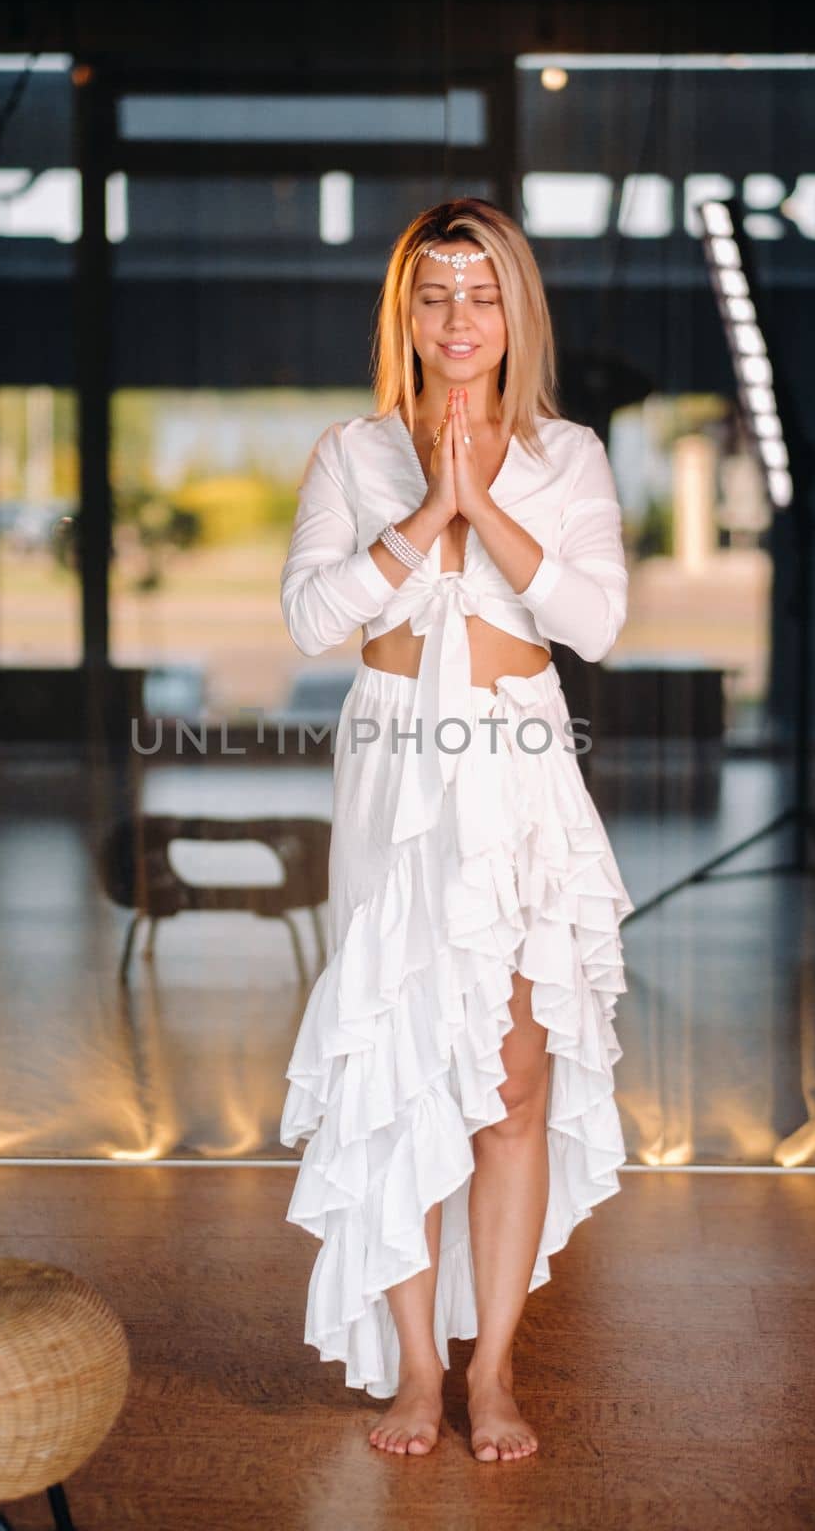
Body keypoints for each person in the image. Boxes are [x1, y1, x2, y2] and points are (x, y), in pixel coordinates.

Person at [278, 197, 634, 1463]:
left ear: (513, 310)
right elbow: (313, 617)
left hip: (518, 761)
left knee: (512, 1084)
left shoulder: (569, 456)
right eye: (433, 296)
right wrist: (428, 505)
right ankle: (416, 1373)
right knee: (402, 1061)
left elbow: (594, 621)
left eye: (480, 293)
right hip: (391, 766)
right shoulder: (349, 452)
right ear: (405, 313)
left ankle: (493, 1371)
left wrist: (486, 503)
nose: (457, 318)